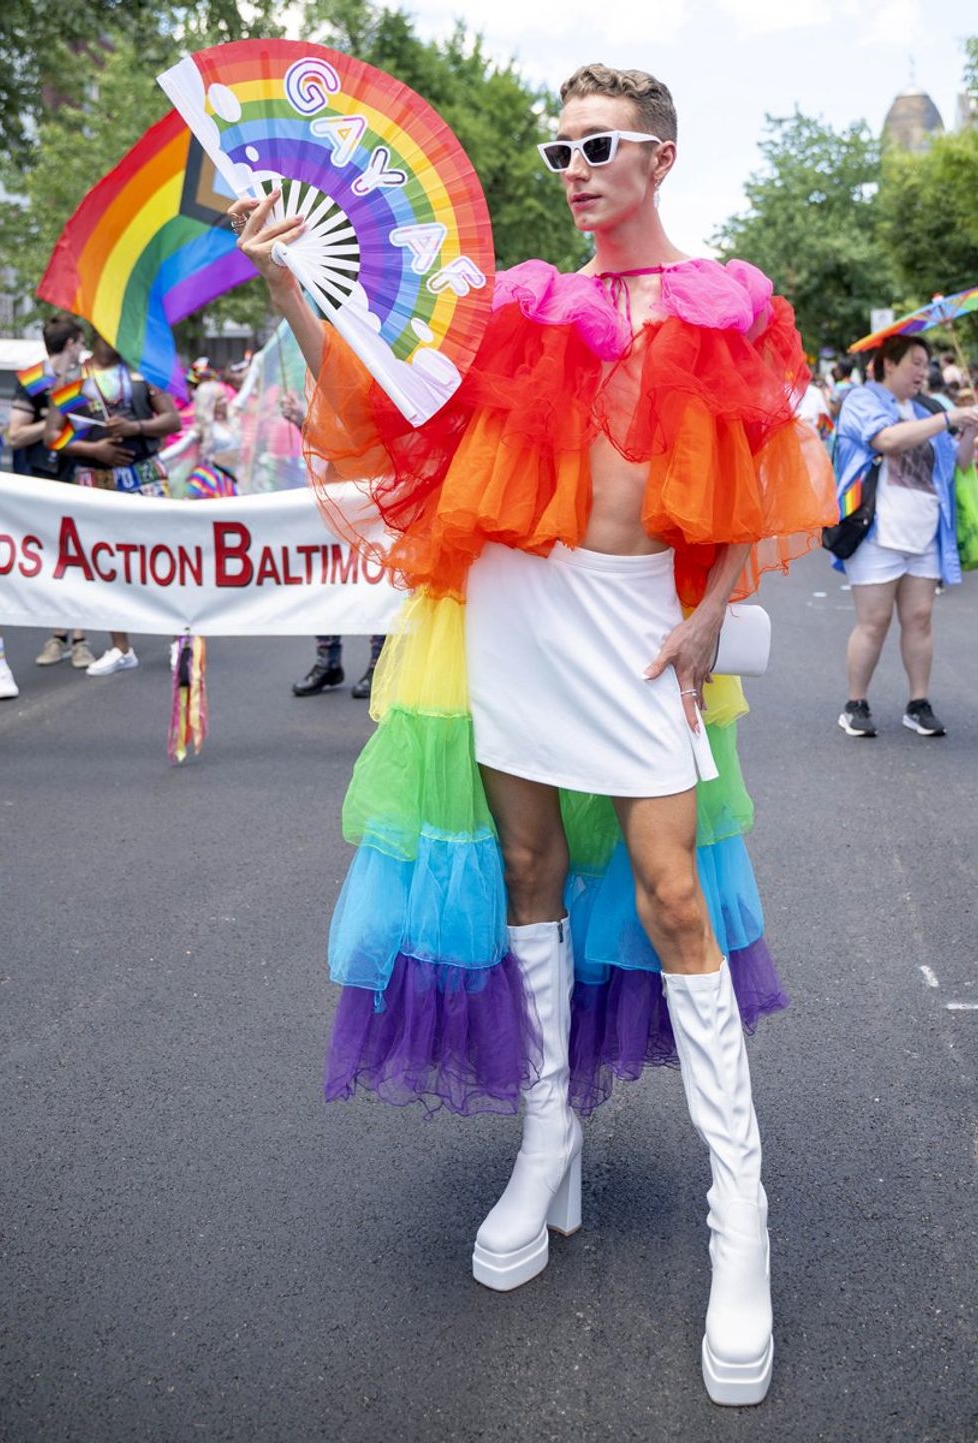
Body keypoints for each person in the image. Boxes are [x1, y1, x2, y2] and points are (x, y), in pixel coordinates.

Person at [232, 62, 836, 1407]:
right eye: (557, 146)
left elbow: (754, 468)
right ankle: (546, 1135)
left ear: (659, 159)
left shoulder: (725, 299)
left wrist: (711, 608)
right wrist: (291, 284)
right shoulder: (514, 303)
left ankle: (743, 1216)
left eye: (596, 144)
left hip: (635, 622)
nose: (570, 166)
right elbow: (396, 405)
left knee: (676, 889)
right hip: (517, 609)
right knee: (526, 869)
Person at [833, 335, 978, 738]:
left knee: (920, 619)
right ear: (888, 363)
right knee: (874, 622)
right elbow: (887, 440)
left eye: (925, 363)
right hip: (877, 532)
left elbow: (957, 465)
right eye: (914, 362)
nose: (921, 371)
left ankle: (918, 702)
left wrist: (968, 431)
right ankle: (855, 703)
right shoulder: (863, 401)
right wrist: (949, 418)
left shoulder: (925, 408)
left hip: (925, 532)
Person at [44, 332, 181, 675]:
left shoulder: (143, 372)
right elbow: (52, 435)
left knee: (162, 558)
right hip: (96, 479)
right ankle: (121, 647)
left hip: (144, 475)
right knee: (105, 564)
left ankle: (180, 641)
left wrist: (134, 426)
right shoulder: (73, 379)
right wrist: (93, 450)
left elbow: (172, 420)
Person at [279, 390, 385, 699]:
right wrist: (302, 419)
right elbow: (326, 436)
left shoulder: (373, 370)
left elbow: (363, 431)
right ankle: (328, 661)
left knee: (375, 579)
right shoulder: (324, 379)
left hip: (372, 493)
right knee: (325, 578)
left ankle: (379, 662)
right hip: (331, 496)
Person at [6, 315, 96, 671]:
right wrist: (54, 423)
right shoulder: (32, 380)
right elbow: (15, 435)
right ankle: (58, 637)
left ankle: (78, 640)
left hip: (78, 477)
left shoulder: (85, 381)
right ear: (72, 343)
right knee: (50, 559)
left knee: (77, 556)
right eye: (80, 342)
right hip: (39, 482)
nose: (82, 349)